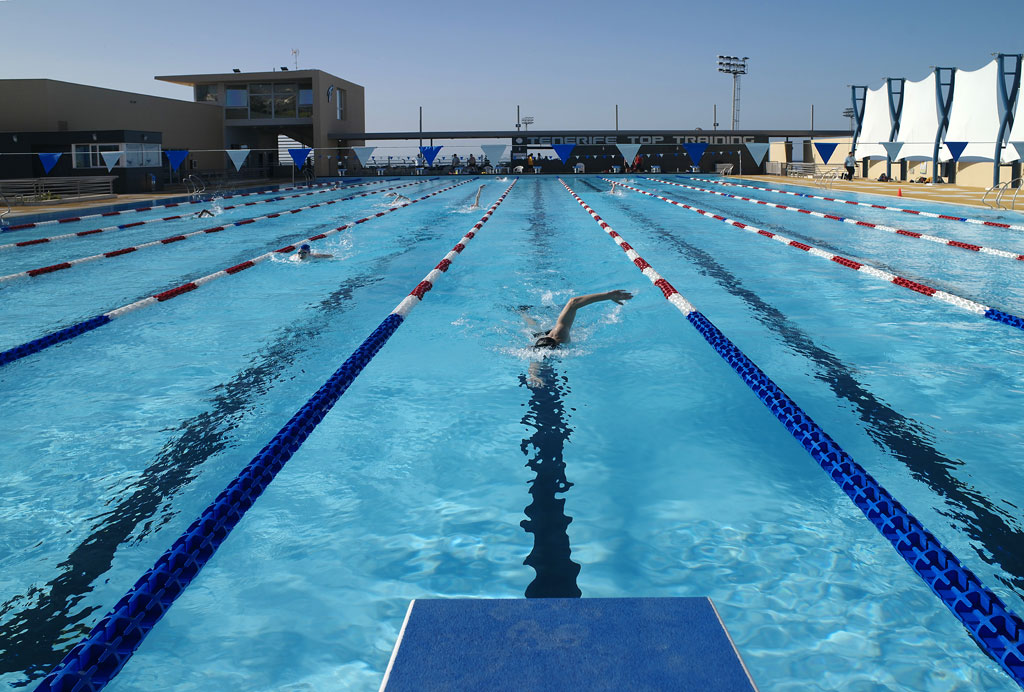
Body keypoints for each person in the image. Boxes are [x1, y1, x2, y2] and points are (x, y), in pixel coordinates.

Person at [531, 290, 633, 349]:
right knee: (534, 330)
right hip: (546, 338)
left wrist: (608, 296)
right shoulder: (537, 349)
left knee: (535, 328)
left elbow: (573, 302)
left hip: (555, 333)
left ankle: (523, 312)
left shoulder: (561, 335)